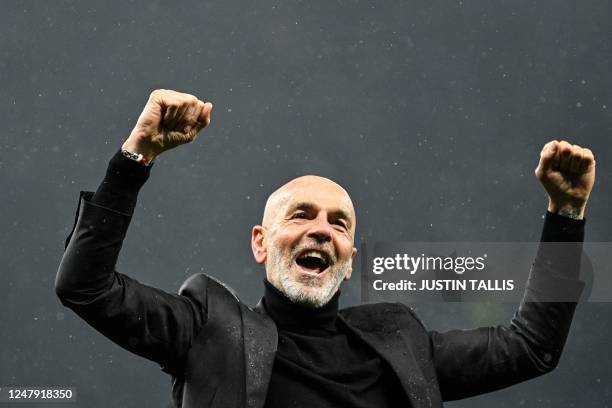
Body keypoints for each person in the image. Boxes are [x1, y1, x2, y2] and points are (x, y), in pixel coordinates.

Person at [55, 89, 596, 408]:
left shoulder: (400, 344)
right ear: (260, 244)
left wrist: (566, 216)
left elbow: (531, 348)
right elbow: (85, 287)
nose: (322, 230)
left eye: (340, 224)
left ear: (350, 258)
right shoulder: (207, 328)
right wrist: (136, 157)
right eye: (301, 215)